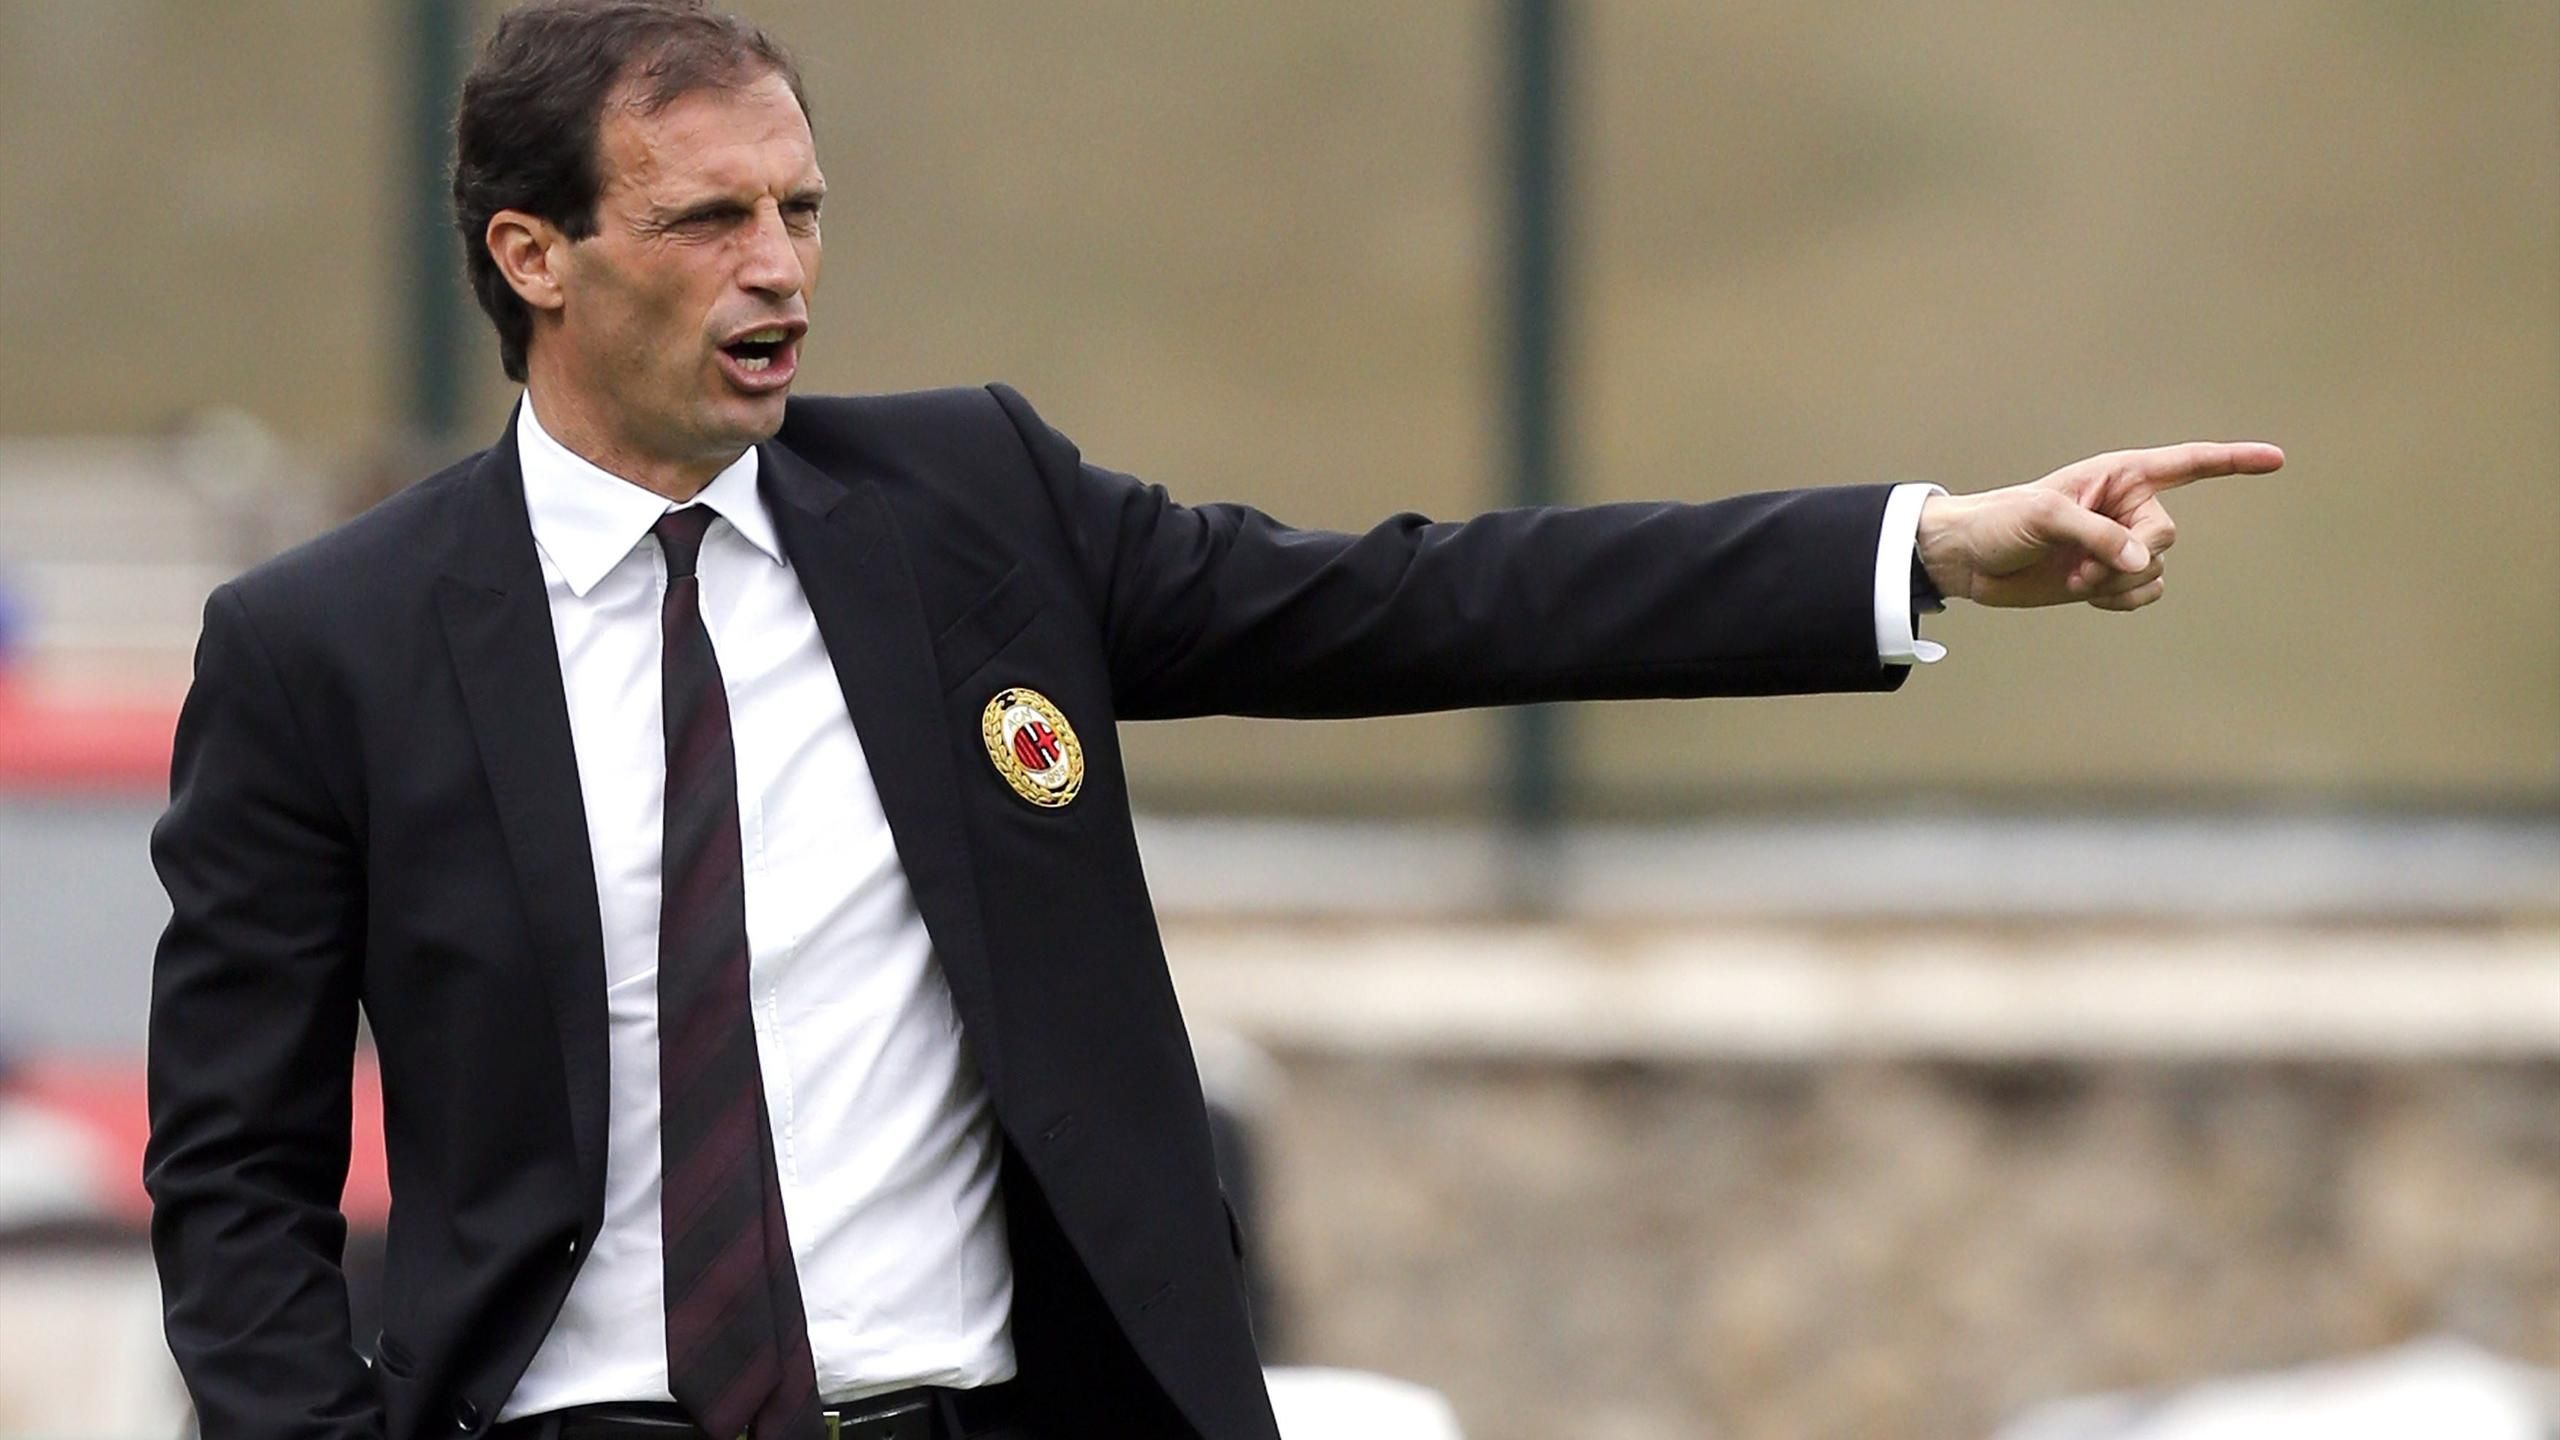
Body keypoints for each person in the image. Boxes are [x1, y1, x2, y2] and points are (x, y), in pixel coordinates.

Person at [139, 3, 2283, 1439]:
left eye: (800, 210)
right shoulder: (326, 646)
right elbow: (235, 1168)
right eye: (709, 220)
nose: (778, 266)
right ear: (535, 254)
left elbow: (1416, 602)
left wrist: (1924, 547)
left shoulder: (967, 509)